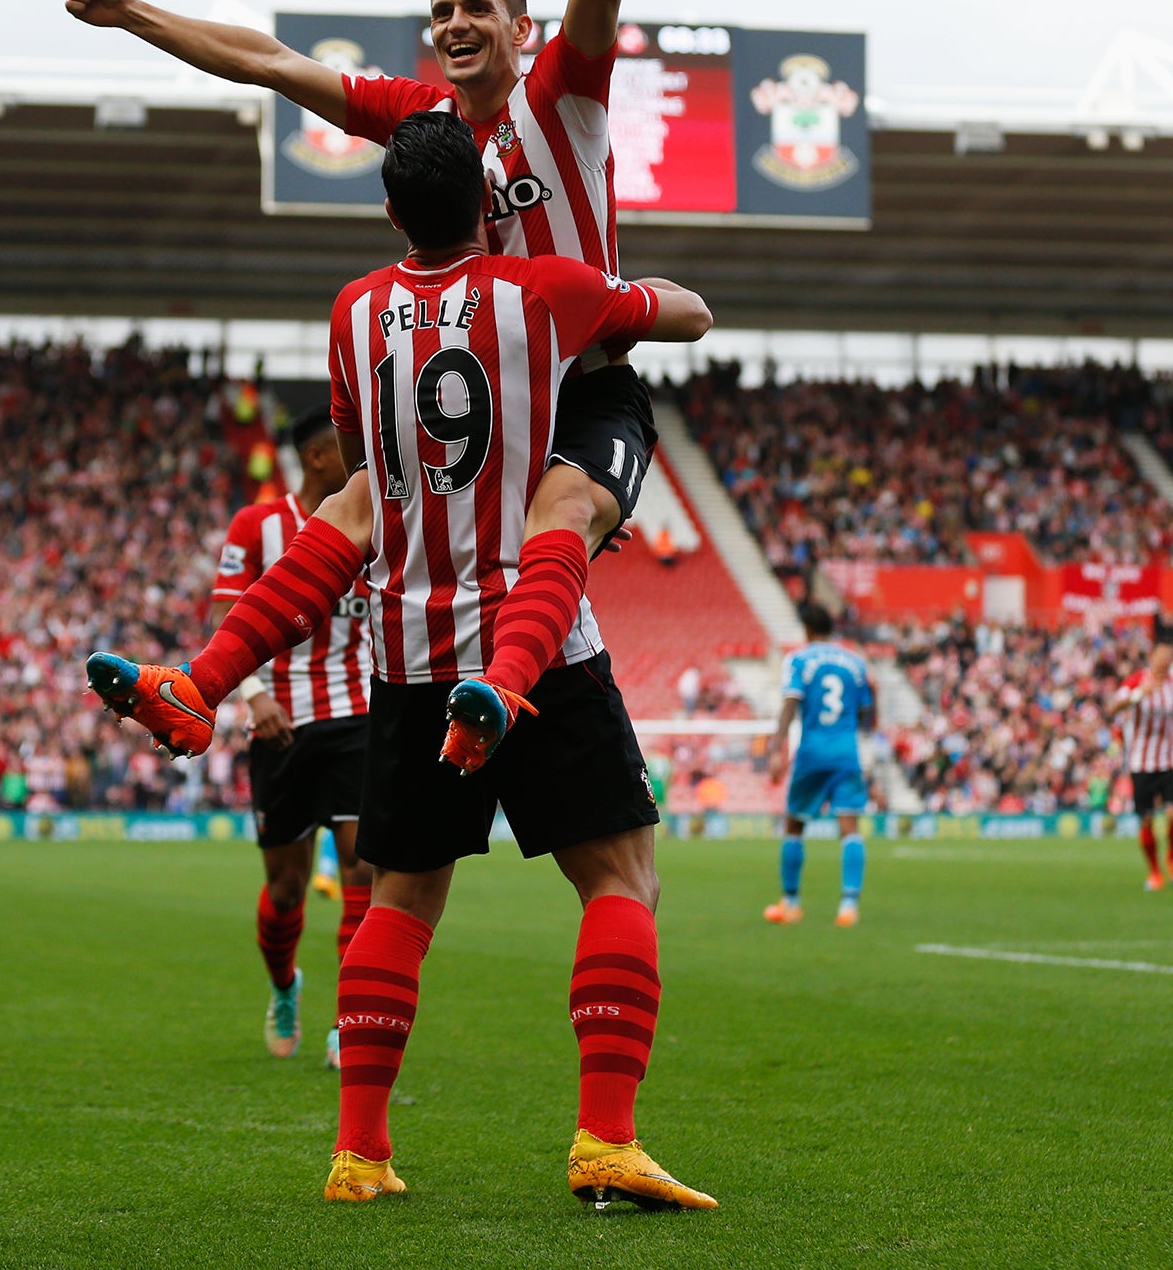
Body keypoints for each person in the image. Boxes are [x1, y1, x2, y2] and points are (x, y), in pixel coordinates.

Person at [90, 112, 717, 1207]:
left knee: (400, 902)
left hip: (404, 652)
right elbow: (685, 317)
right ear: (489, 203)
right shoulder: (543, 292)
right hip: (533, 641)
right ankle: (603, 1140)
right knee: (621, 879)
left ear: (387, 213)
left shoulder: (353, 310)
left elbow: (357, 486)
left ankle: (357, 1154)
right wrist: (629, 293)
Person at [66, 0, 658, 769]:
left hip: (578, 391)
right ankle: (194, 687)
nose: (455, 23)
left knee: (549, 511)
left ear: (522, 33)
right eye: (441, 13)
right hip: (482, 393)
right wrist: (131, 14)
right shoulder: (423, 122)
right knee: (349, 506)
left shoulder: (563, 92)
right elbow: (268, 63)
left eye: (477, 9)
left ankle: (499, 696)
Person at [209, 404, 376, 1070]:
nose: (362, 458)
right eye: (348, 448)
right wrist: (251, 695)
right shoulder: (258, 525)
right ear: (316, 456)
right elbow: (225, 611)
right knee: (285, 891)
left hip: (359, 714)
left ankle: (349, 1020)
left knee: (364, 867)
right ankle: (285, 987)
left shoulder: (380, 516)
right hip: (279, 725)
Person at [764, 604, 876, 928]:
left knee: (795, 825)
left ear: (808, 631)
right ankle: (848, 906)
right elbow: (866, 711)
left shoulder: (799, 659)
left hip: (812, 754)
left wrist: (775, 750)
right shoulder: (855, 663)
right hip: (846, 753)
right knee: (849, 828)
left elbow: (790, 705)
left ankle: (791, 902)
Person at [1108, 639, 1173, 890]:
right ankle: (1154, 871)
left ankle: (1172, 856)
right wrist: (1138, 695)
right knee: (1147, 821)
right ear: (1152, 657)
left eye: (1169, 656)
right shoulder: (1135, 681)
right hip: (1141, 762)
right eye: (1161, 656)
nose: (1165, 661)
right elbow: (1113, 707)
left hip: (1169, 761)